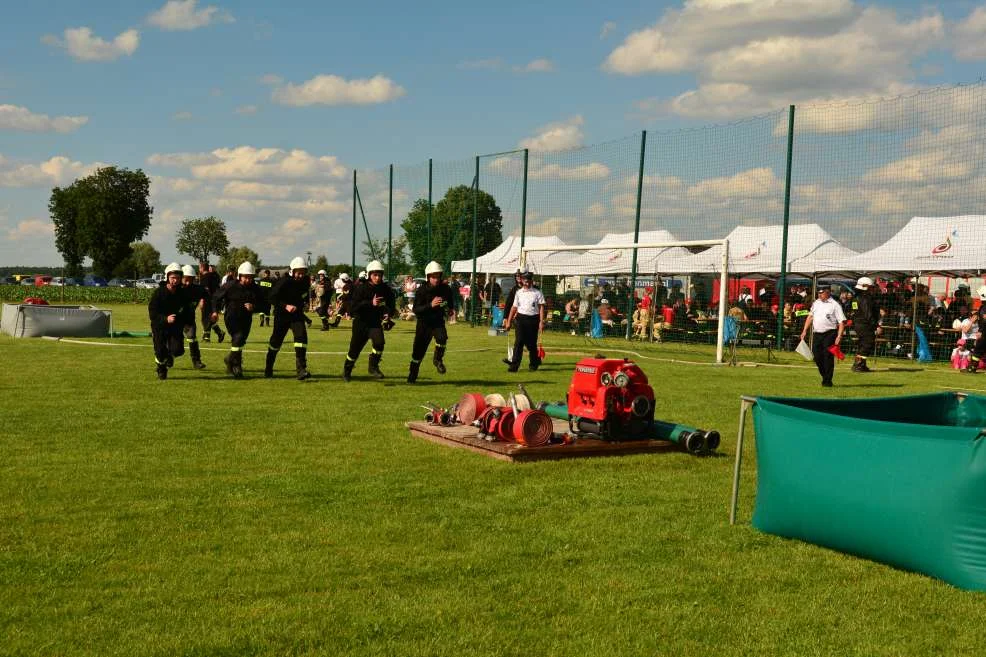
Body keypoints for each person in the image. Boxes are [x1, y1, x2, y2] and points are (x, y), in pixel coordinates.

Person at [343, 260, 396, 381]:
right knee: (354, 350)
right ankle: (347, 371)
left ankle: (373, 366)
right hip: (360, 323)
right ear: (369, 275)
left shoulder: (385, 289)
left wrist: (388, 314)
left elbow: (391, 304)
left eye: (380, 275)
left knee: (379, 343)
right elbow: (352, 308)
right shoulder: (360, 288)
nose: (378, 278)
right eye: (375, 275)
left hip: (374, 323)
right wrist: (370, 303)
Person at [264, 257, 312, 380]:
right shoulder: (283, 282)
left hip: (296, 315)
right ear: (292, 271)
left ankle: (301, 370)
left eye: (303, 272)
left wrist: (305, 303)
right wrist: (286, 306)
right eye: (299, 272)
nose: (301, 275)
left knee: (301, 338)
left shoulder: (305, 281)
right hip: (282, 316)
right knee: (275, 343)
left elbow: (304, 295)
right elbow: (271, 298)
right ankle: (268, 368)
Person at [407, 261, 454, 383]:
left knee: (442, 338)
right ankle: (412, 375)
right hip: (424, 324)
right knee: (418, 352)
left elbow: (449, 301)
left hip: (438, 322)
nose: (436, 279)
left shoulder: (445, 289)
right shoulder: (422, 291)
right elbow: (416, 309)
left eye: (438, 276)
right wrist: (430, 305)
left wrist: (450, 309)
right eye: (433, 277)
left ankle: (438, 360)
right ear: (428, 277)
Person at [212, 262, 260, 379]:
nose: (248, 280)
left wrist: (253, 307)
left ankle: (229, 360)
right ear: (240, 275)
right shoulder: (230, 286)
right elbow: (215, 297)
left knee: (240, 341)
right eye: (246, 277)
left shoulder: (255, 288)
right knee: (238, 338)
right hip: (231, 317)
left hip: (246, 319)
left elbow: (263, 304)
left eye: (250, 277)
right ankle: (237, 366)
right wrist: (215, 311)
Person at [148, 263, 188, 380]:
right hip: (159, 326)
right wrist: (166, 319)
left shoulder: (182, 293)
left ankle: (170, 356)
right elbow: (152, 312)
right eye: (173, 278)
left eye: (177, 278)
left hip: (175, 327)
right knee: (160, 351)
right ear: (167, 278)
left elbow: (185, 309)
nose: (175, 280)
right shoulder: (159, 293)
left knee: (178, 350)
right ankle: (161, 368)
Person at [799, 286, 846, 387]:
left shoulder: (835, 305)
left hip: (830, 333)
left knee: (827, 357)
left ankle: (827, 381)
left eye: (822, 293)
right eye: (819, 293)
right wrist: (804, 330)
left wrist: (839, 336)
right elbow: (810, 316)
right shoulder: (816, 303)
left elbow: (841, 321)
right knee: (817, 356)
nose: (819, 295)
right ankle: (825, 376)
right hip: (817, 334)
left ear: (828, 293)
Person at [503, 270, 545, 372]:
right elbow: (514, 308)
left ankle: (534, 363)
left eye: (528, 281)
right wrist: (508, 321)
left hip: (533, 320)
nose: (527, 283)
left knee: (531, 344)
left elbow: (541, 308)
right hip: (521, 319)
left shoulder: (537, 293)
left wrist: (541, 321)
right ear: (522, 281)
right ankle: (514, 366)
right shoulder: (518, 293)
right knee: (519, 342)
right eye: (525, 281)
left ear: (531, 281)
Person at [180, 264, 209, 370]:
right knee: (175, 347)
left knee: (192, 338)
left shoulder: (198, 289)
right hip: (174, 320)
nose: (188, 283)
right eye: (186, 280)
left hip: (189, 320)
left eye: (191, 280)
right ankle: (167, 357)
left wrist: (203, 299)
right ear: (181, 278)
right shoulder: (175, 289)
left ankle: (196, 361)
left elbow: (208, 296)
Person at [850, 276, 880, 372]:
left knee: (863, 344)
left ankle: (861, 364)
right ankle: (858, 364)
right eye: (871, 287)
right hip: (865, 324)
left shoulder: (855, 298)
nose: (872, 289)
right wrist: (876, 325)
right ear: (865, 286)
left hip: (858, 324)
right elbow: (868, 313)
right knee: (867, 344)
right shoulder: (864, 298)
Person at [198, 262, 225, 343]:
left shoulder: (204, 277)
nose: (199, 269)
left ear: (202, 268)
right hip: (214, 300)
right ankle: (219, 333)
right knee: (210, 319)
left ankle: (207, 337)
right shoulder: (213, 276)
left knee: (205, 319)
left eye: (199, 267)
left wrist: (202, 300)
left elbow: (205, 290)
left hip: (207, 300)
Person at [965, 286, 986, 373]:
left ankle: (972, 368)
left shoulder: (985, 307)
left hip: (984, 332)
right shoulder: (983, 307)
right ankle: (972, 367)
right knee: (978, 350)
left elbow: (985, 320)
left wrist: (980, 331)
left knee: (978, 350)